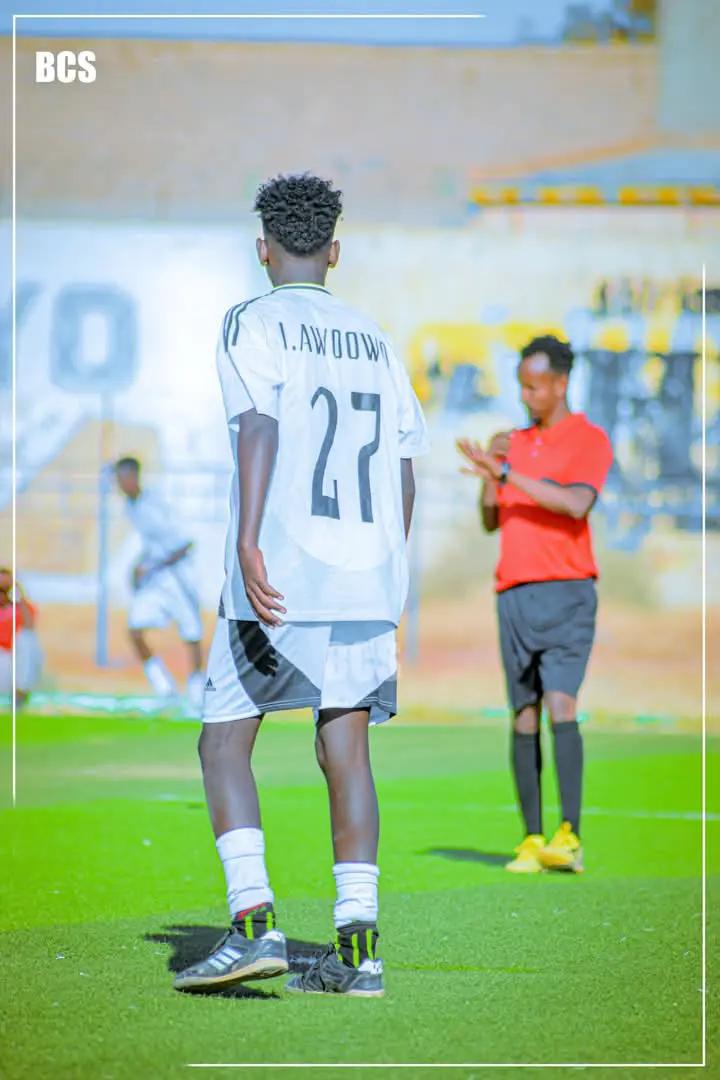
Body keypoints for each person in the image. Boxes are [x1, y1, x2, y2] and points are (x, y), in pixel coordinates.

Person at [173, 174, 428, 998]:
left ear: (264, 249)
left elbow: (257, 424)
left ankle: (253, 926)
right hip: (367, 579)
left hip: (283, 572)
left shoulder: (252, 320)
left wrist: (248, 539)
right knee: (345, 750)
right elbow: (403, 464)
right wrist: (386, 564)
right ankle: (359, 953)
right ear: (335, 251)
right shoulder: (377, 338)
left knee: (223, 742)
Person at [458, 335, 613, 874]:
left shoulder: (590, 439)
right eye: (521, 386)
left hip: (568, 593)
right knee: (522, 713)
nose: (526, 396)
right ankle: (531, 839)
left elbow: (575, 503)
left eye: (534, 386)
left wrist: (507, 473)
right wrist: (491, 473)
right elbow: (490, 519)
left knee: (560, 705)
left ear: (560, 384)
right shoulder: (513, 443)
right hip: (514, 594)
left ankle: (569, 836)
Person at [114, 457, 205, 710]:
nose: (119, 484)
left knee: (191, 632)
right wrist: (138, 565)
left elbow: (185, 543)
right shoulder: (130, 507)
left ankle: (197, 688)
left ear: (134, 476)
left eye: (122, 478)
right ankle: (164, 686)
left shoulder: (156, 503)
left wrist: (153, 566)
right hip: (156, 581)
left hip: (178, 576)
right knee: (135, 629)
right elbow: (152, 544)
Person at [0, 568, 43, 708]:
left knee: (26, 638)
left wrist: (19, 597)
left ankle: (20, 693)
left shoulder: (21, 609)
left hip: (14, 662)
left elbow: (29, 626)